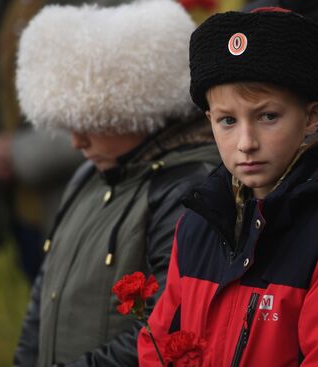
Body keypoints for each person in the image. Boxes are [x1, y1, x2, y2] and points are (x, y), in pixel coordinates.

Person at [138, 7, 318, 366]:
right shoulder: (196, 224)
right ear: (208, 121)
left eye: (267, 116)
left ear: (312, 116)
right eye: (227, 120)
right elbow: (158, 346)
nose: (246, 142)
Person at [13, 1, 220, 366]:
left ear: (136, 108)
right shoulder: (87, 177)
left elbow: (167, 329)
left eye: (90, 122)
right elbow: (42, 301)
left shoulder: (185, 190)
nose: (77, 142)